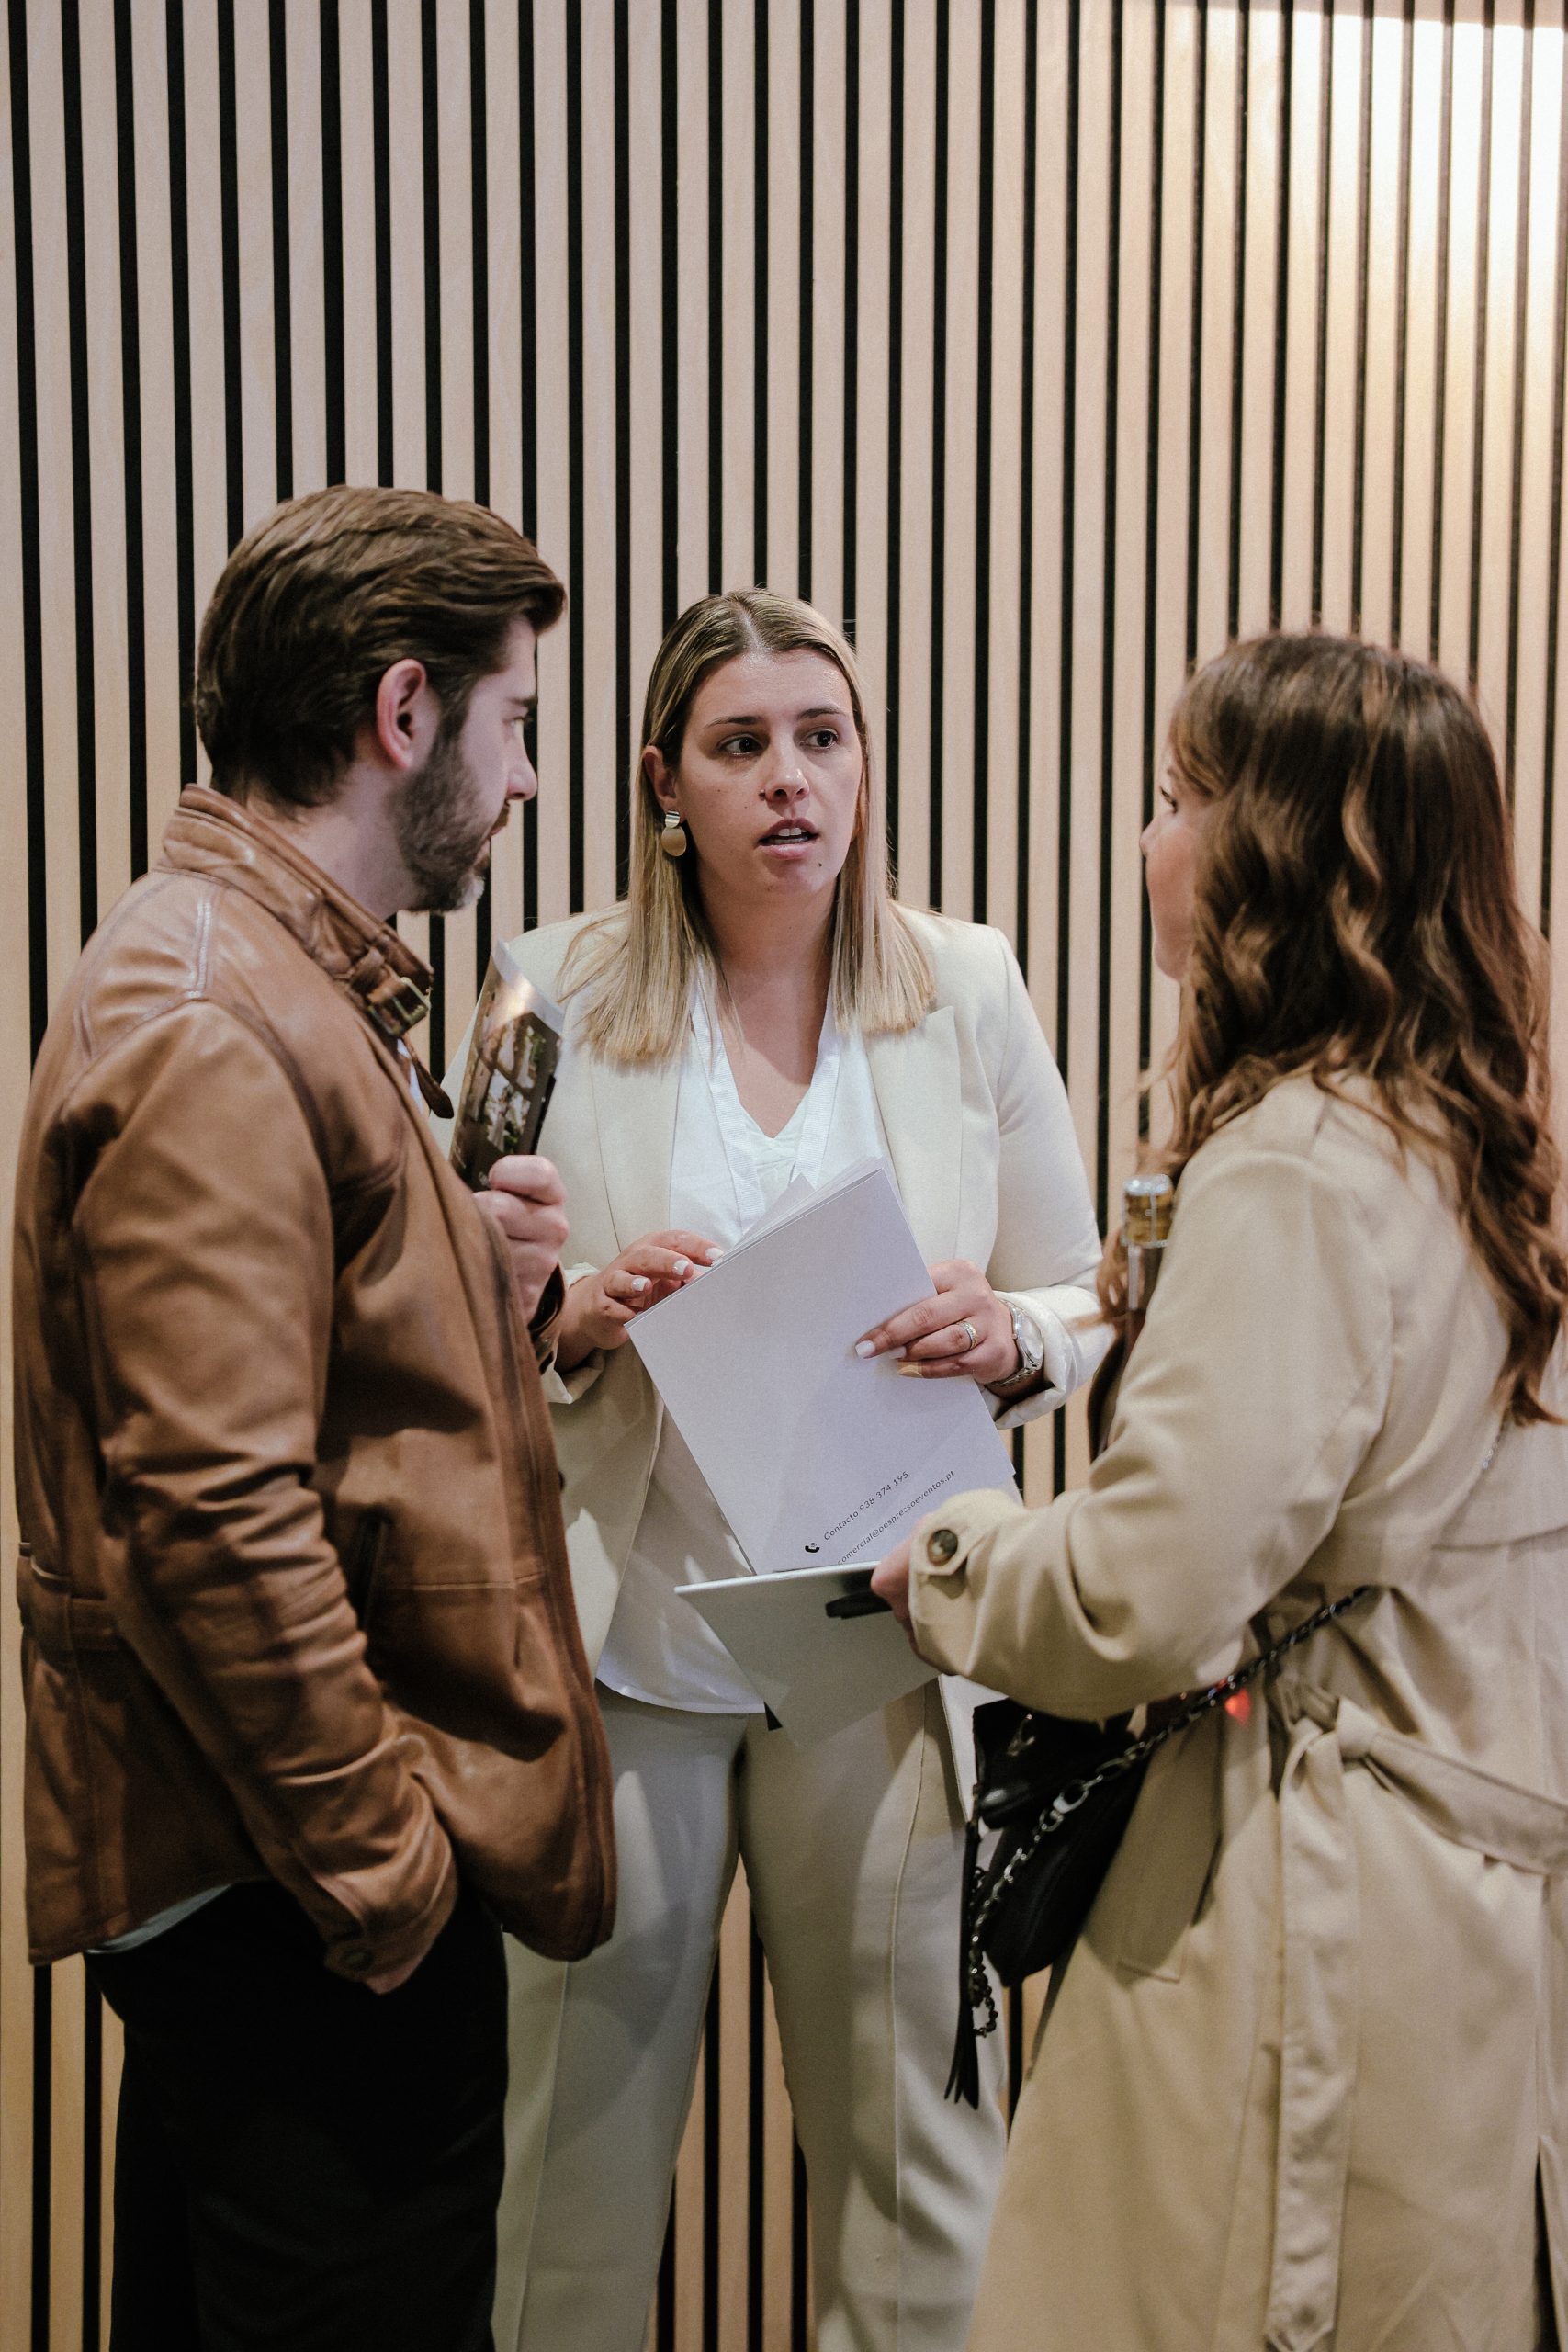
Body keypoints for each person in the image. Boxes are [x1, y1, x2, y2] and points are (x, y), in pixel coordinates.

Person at [872, 632, 1568, 2351]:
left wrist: (952, 1555)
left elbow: (1139, 1594)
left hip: (1299, 1899)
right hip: (1455, 1885)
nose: (1148, 840)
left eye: (1177, 800)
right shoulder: (1469, 1139)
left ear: (1283, 854)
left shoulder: (1305, 1167)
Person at [440, 588, 1105, 2352]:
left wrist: (1010, 1335)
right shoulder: (549, 990)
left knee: (917, 2184)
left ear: (866, 767)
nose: (791, 781)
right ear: (666, 784)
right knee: (566, 2180)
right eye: (742, 746)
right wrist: (574, 1319)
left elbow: (1089, 1294)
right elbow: (439, 1313)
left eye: (824, 738)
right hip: (627, 1665)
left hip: (884, 1653)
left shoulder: (966, 987)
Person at [11, 484, 615, 2352]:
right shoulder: (220, 1012)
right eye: (516, 722)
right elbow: (207, 1512)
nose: (526, 780)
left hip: (272, 1877)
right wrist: (391, 1878)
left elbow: (302, 1393)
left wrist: (476, 1279)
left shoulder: (269, 978)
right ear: (403, 711)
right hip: (300, 1897)